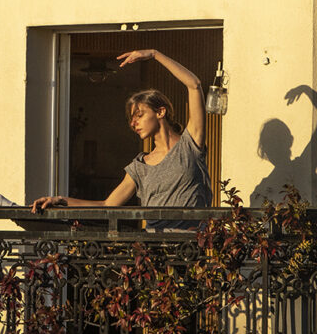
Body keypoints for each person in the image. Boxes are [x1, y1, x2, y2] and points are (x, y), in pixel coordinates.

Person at [31, 49, 210, 222]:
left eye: (139, 115)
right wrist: (60, 200)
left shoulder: (190, 144)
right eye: (131, 120)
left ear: (160, 112)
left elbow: (194, 85)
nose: (133, 123)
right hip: (153, 248)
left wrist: (154, 54)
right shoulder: (140, 166)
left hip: (189, 248)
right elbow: (107, 205)